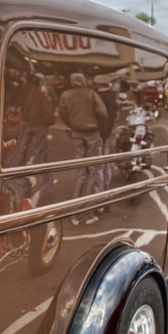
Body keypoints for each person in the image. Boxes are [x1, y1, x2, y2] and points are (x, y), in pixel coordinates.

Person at [58, 73, 108, 224]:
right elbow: (103, 113)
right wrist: (98, 125)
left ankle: (75, 215)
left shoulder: (65, 95)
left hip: (76, 133)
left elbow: (62, 114)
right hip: (92, 133)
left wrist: (72, 124)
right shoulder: (91, 94)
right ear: (83, 81)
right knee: (93, 172)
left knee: (81, 174)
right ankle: (89, 214)